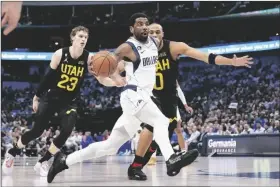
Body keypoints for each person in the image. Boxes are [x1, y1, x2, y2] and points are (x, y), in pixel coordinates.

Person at [47, 13, 199, 183]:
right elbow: (111, 60)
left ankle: (64, 161)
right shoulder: (128, 46)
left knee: (110, 147)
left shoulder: (153, 43)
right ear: (131, 29)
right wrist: (116, 78)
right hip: (133, 95)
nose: (144, 27)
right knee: (161, 121)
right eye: (139, 24)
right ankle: (171, 159)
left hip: (142, 98)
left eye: (146, 24)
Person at [127, 23, 254, 180]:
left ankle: (139, 166)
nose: (154, 34)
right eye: (151, 32)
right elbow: (120, 63)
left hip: (169, 98)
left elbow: (205, 57)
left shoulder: (174, 47)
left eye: (157, 31)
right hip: (149, 96)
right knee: (152, 126)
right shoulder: (139, 50)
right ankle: (157, 162)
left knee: (162, 134)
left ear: (162, 34)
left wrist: (231, 62)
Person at [2, 26, 124, 177]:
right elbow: (48, 77)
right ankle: (12, 152)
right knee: (37, 131)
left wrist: (116, 83)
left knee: (67, 130)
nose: (83, 39)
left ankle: (43, 161)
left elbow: (101, 79)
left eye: (85, 37)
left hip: (69, 101)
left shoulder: (88, 58)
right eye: (80, 36)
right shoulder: (60, 54)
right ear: (73, 37)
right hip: (51, 97)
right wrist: (37, 96)